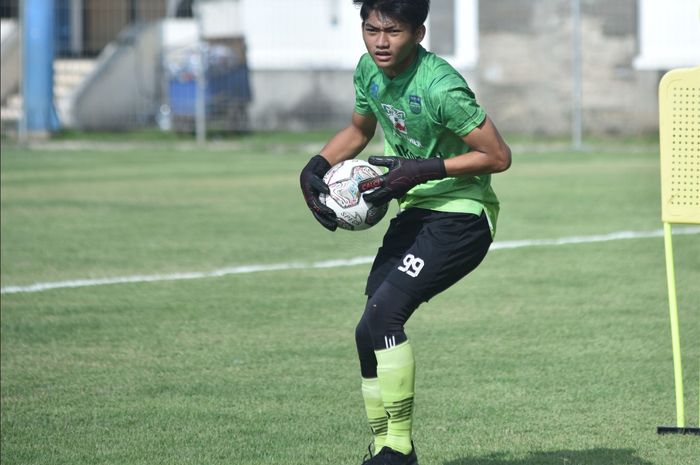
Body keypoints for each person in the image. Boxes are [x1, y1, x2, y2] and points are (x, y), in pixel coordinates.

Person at [300, 1, 511, 464]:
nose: (379, 41)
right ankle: (384, 446)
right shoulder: (368, 71)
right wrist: (316, 166)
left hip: (462, 214)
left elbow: (497, 155)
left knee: (384, 316)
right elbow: (360, 129)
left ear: (418, 32)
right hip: (416, 212)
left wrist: (422, 169)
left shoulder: (441, 87)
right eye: (370, 29)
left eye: (392, 31)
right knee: (366, 330)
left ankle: (397, 449)